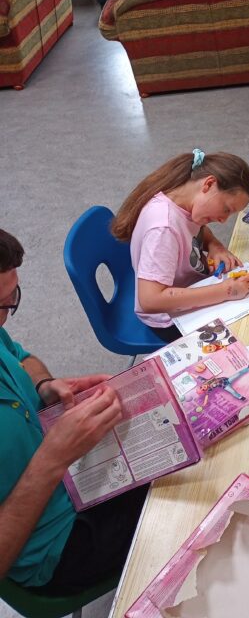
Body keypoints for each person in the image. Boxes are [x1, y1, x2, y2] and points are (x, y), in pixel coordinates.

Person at [0, 228, 147, 592]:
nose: (4, 319)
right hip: (54, 547)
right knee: (188, 506)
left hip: (74, 477)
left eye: (9, 300)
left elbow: (22, 358)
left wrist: (45, 386)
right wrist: (52, 459)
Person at [111, 149, 249, 342]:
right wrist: (226, 291)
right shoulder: (164, 229)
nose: (223, 220)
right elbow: (150, 300)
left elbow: (196, 227)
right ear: (209, 184)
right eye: (226, 209)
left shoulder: (183, 200)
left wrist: (215, 246)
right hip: (169, 319)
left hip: (189, 288)